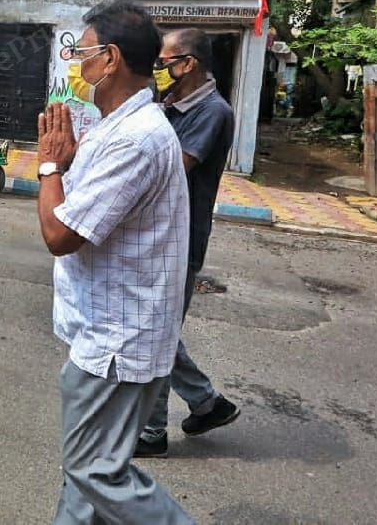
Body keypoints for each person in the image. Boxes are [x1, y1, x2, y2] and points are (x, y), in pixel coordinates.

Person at [35, 0, 194, 524]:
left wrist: (49, 165)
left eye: (82, 54)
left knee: (93, 472)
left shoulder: (135, 139)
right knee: (88, 477)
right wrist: (67, 158)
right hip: (106, 328)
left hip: (116, 339)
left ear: (111, 59)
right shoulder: (113, 126)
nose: (75, 65)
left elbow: (60, 233)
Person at [136, 27, 240, 458]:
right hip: (156, 234)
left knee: (157, 333)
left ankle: (153, 432)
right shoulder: (170, 104)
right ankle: (206, 403)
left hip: (180, 240)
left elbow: (174, 167)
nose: (159, 69)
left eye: (165, 62)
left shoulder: (213, 112)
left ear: (188, 63)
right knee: (156, 330)